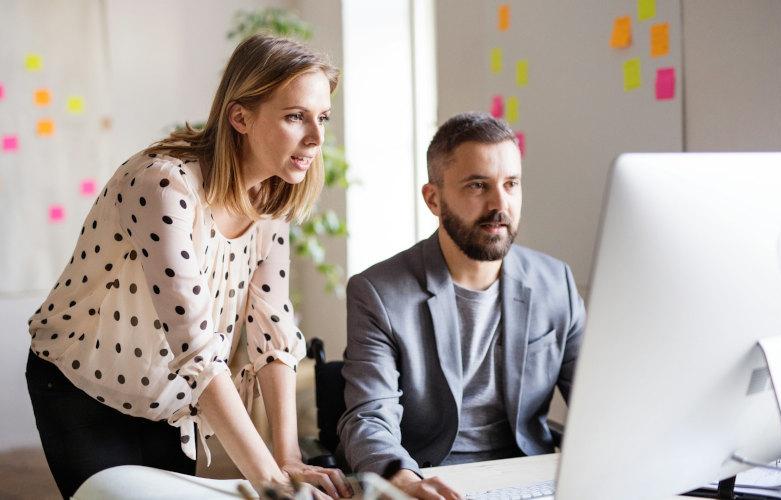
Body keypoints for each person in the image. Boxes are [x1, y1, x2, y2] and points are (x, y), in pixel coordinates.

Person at [26, 35, 352, 500]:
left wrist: (288, 457)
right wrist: (273, 484)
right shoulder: (163, 186)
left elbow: (272, 332)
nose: (317, 138)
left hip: (168, 401)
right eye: (295, 116)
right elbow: (198, 347)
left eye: (322, 118)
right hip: (80, 386)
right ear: (240, 116)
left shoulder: (271, 201)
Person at [338, 112, 586, 499]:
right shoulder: (379, 292)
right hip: (430, 479)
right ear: (433, 199)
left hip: (530, 479)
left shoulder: (557, 284)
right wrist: (403, 479)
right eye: (477, 186)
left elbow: (597, 405)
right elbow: (369, 419)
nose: (499, 204)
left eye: (511, 184)